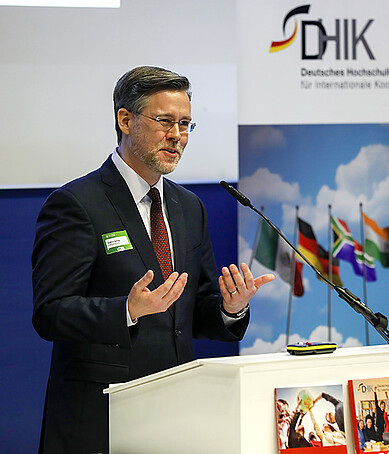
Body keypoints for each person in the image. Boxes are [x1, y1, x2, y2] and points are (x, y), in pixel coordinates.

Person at [32, 66, 275, 453]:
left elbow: (194, 312)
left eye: (185, 124)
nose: (177, 135)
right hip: (99, 418)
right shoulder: (77, 204)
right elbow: (50, 313)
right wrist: (127, 310)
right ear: (125, 120)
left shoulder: (188, 206)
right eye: (165, 121)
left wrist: (230, 309)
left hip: (174, 413)